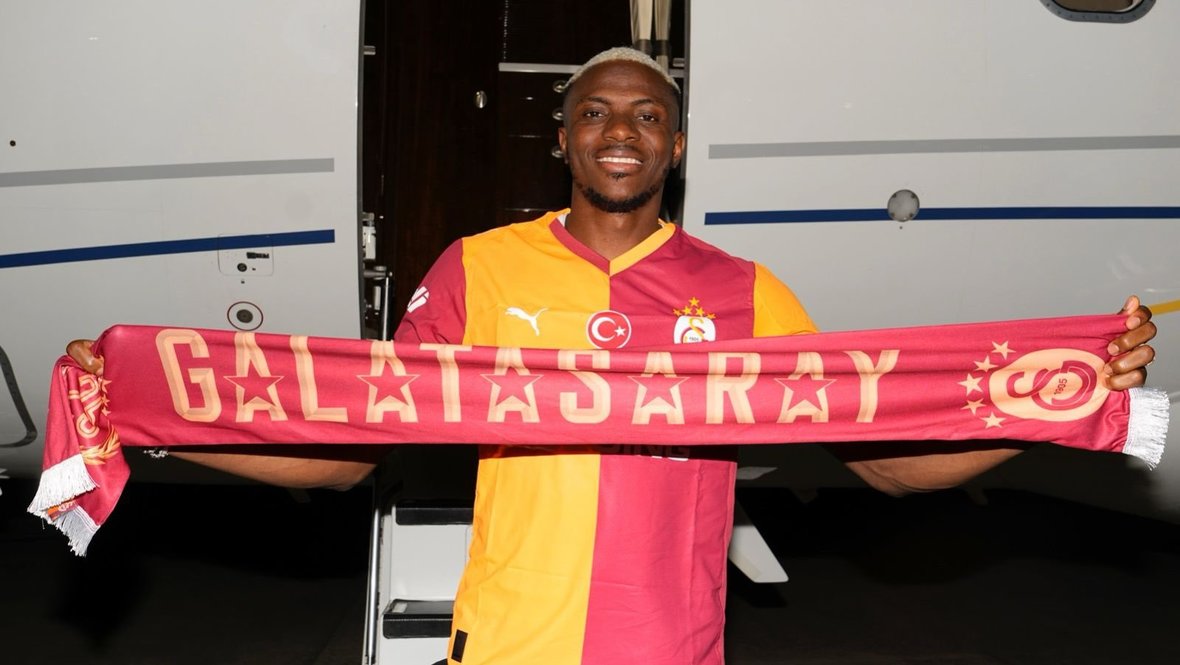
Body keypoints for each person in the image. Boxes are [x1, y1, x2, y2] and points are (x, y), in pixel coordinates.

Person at [68, 47, 1156, 665]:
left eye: (645, 115)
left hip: (670, 648)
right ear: (565, 138)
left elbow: (889, 465)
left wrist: (1058, 405)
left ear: (674, 145)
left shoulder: (746, 290)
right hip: (505, 646)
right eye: (594, 112)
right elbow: (347, 453)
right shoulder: (478, 266)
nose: (619, 130)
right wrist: (148, 418)